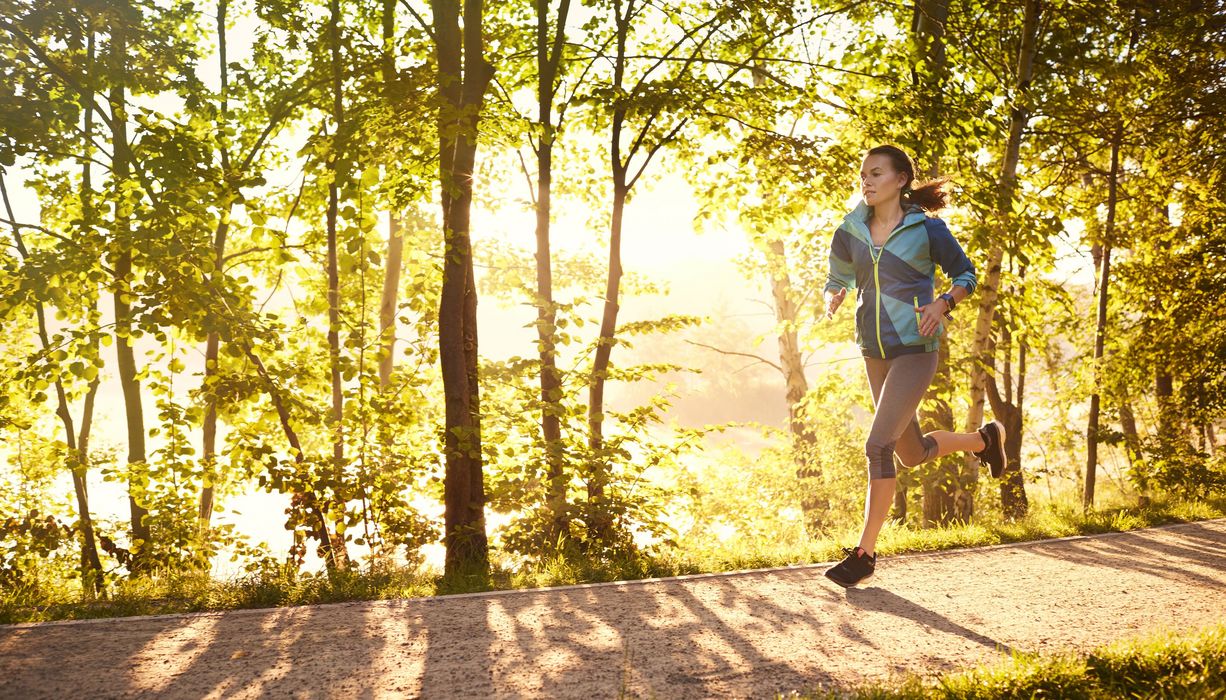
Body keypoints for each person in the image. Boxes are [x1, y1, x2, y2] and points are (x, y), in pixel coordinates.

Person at [821, 144, 1008, 588]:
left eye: (876, 173)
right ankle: (983, 440)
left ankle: (864, 554)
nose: (866, 181)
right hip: (874, 348)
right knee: (910, 452)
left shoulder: (927, 230)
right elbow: (840, 273)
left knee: (877, 446)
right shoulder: (850, 229)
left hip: (915, 349)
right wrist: (835, 292)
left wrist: (943, 304)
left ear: (901, 179)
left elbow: (965, 274)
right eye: (863, 174)